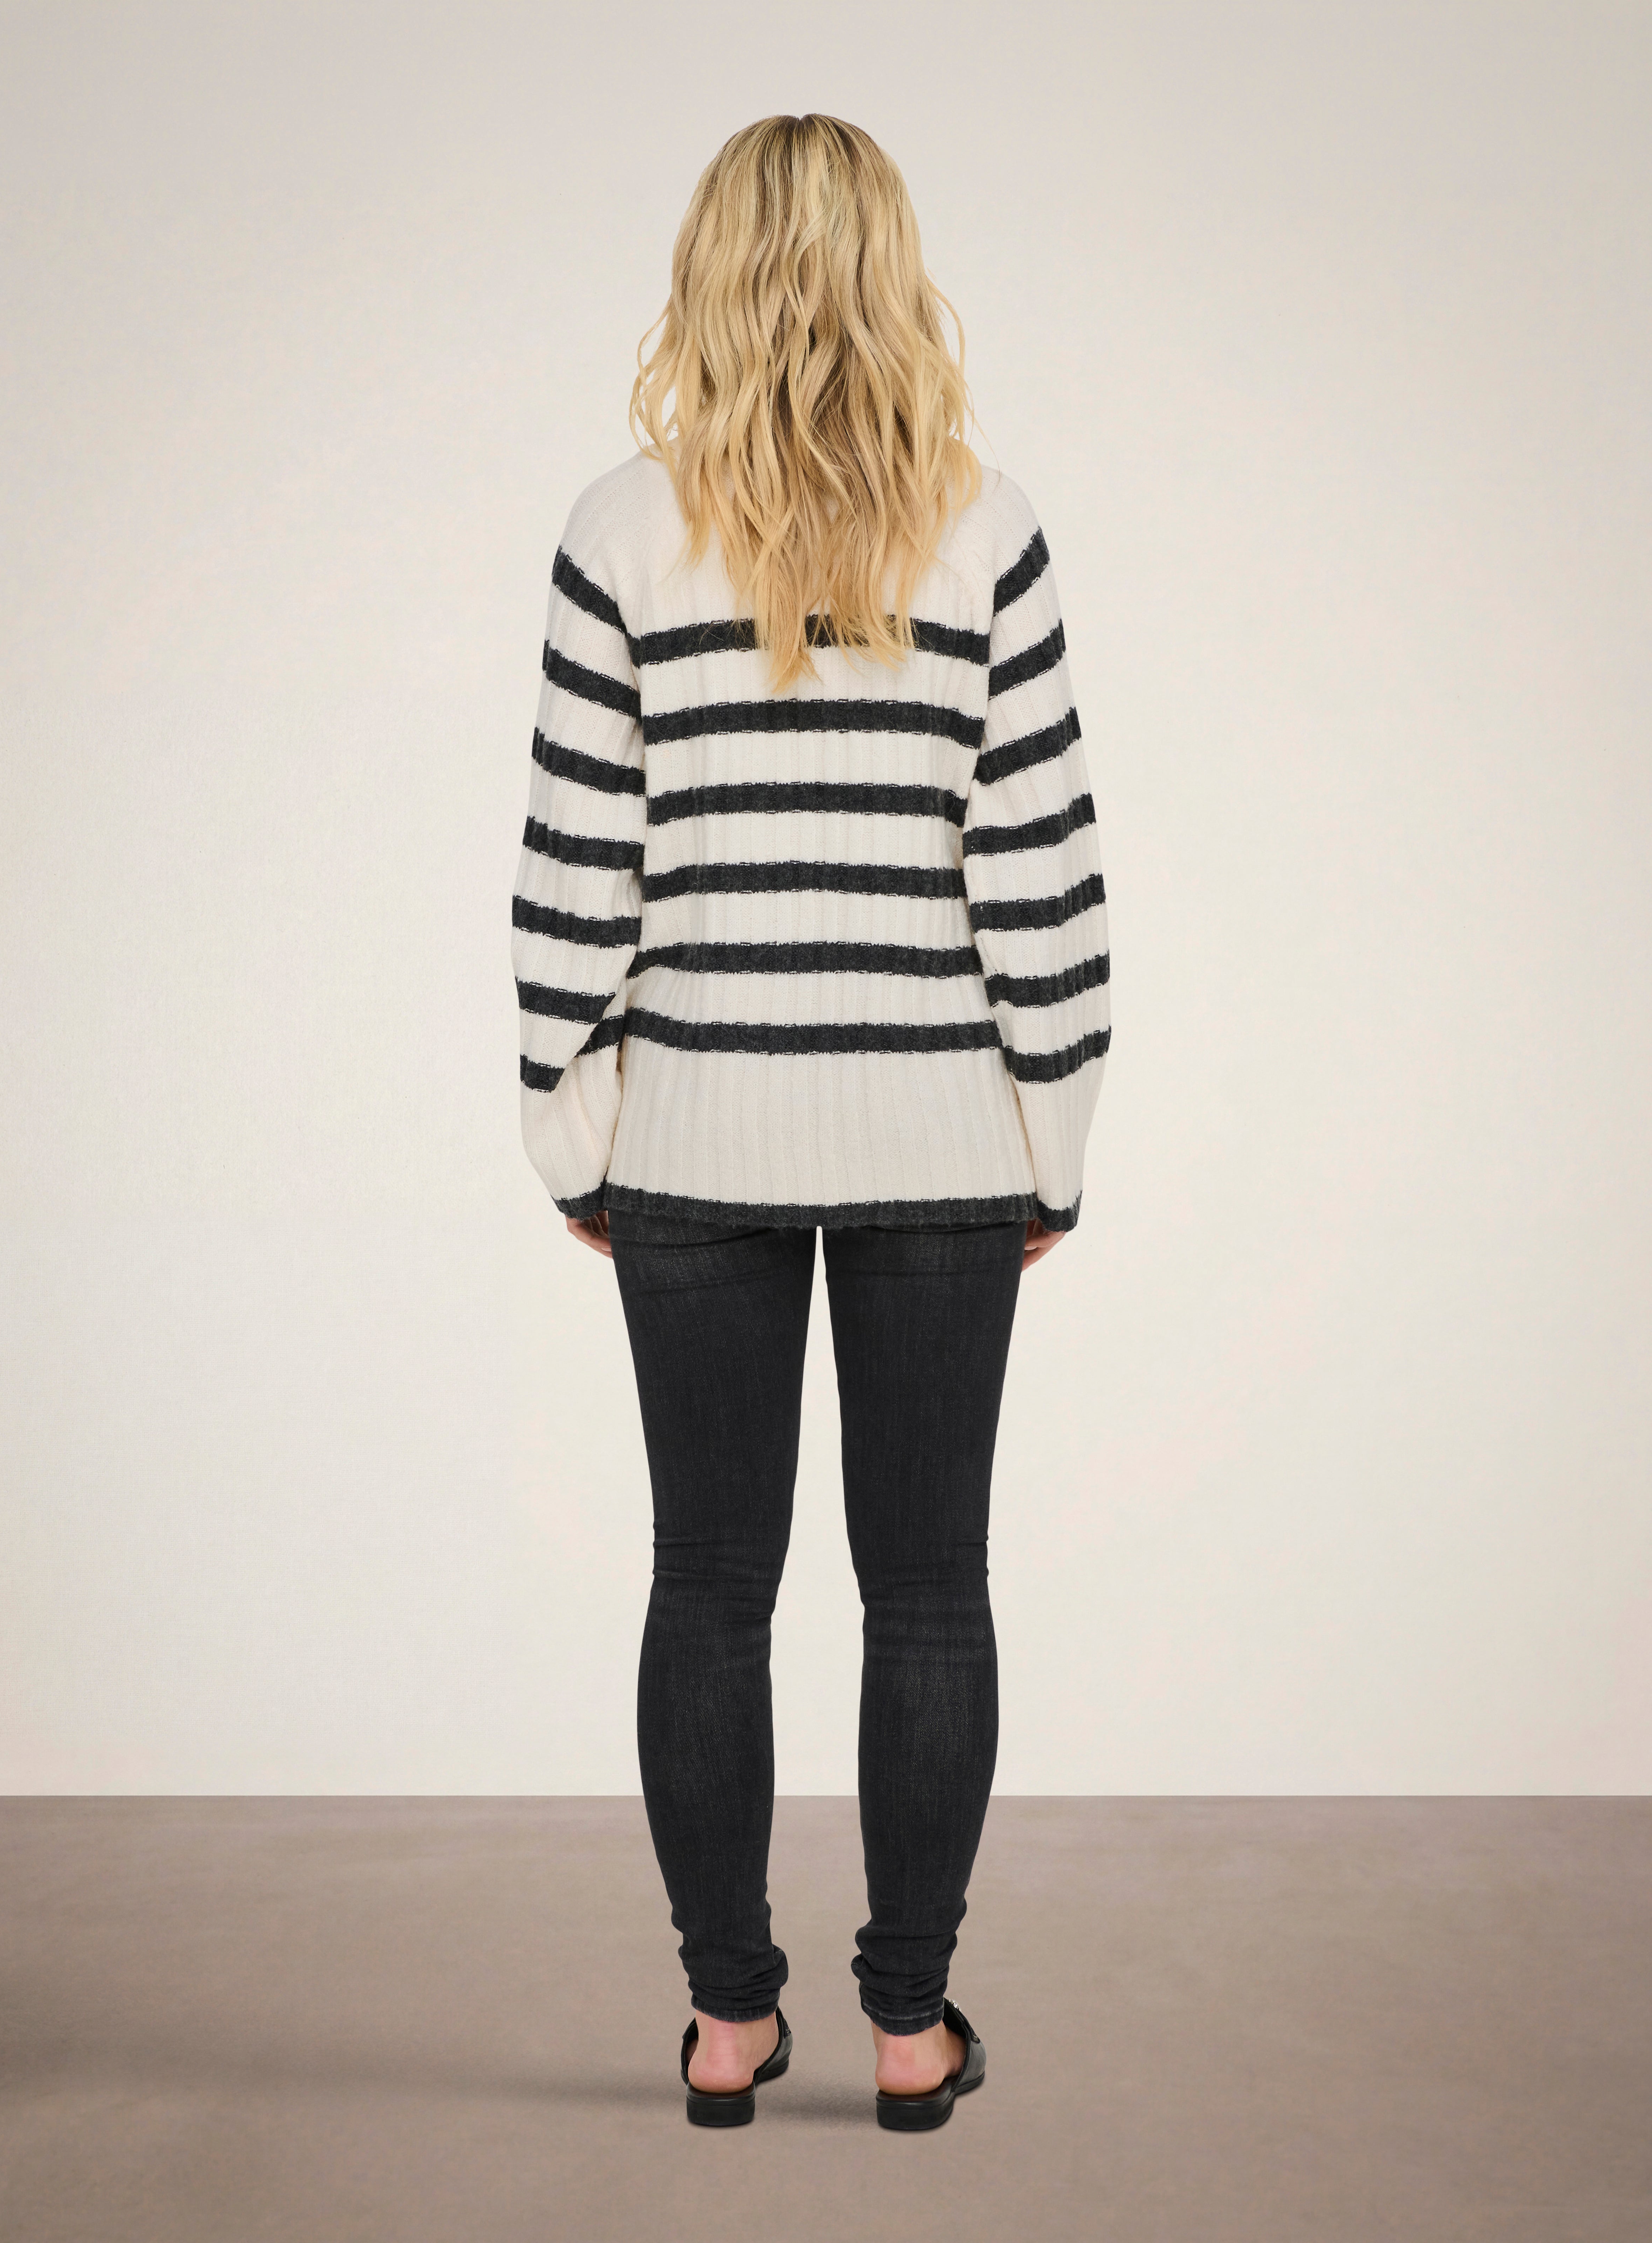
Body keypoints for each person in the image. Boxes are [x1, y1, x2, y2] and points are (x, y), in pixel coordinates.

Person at [510, 113, 1110, 2131]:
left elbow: (574, 874)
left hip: (694, 1142)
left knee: (709, 1584)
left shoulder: (620, 530)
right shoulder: (984, 529)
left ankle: (725, 2026)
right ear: (890, 272)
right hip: (942, 1148)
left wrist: (576, 1129)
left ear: (710, 273)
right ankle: (911, 2031)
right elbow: (1038, 876)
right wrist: (1051, 1143)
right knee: (928, 1589)